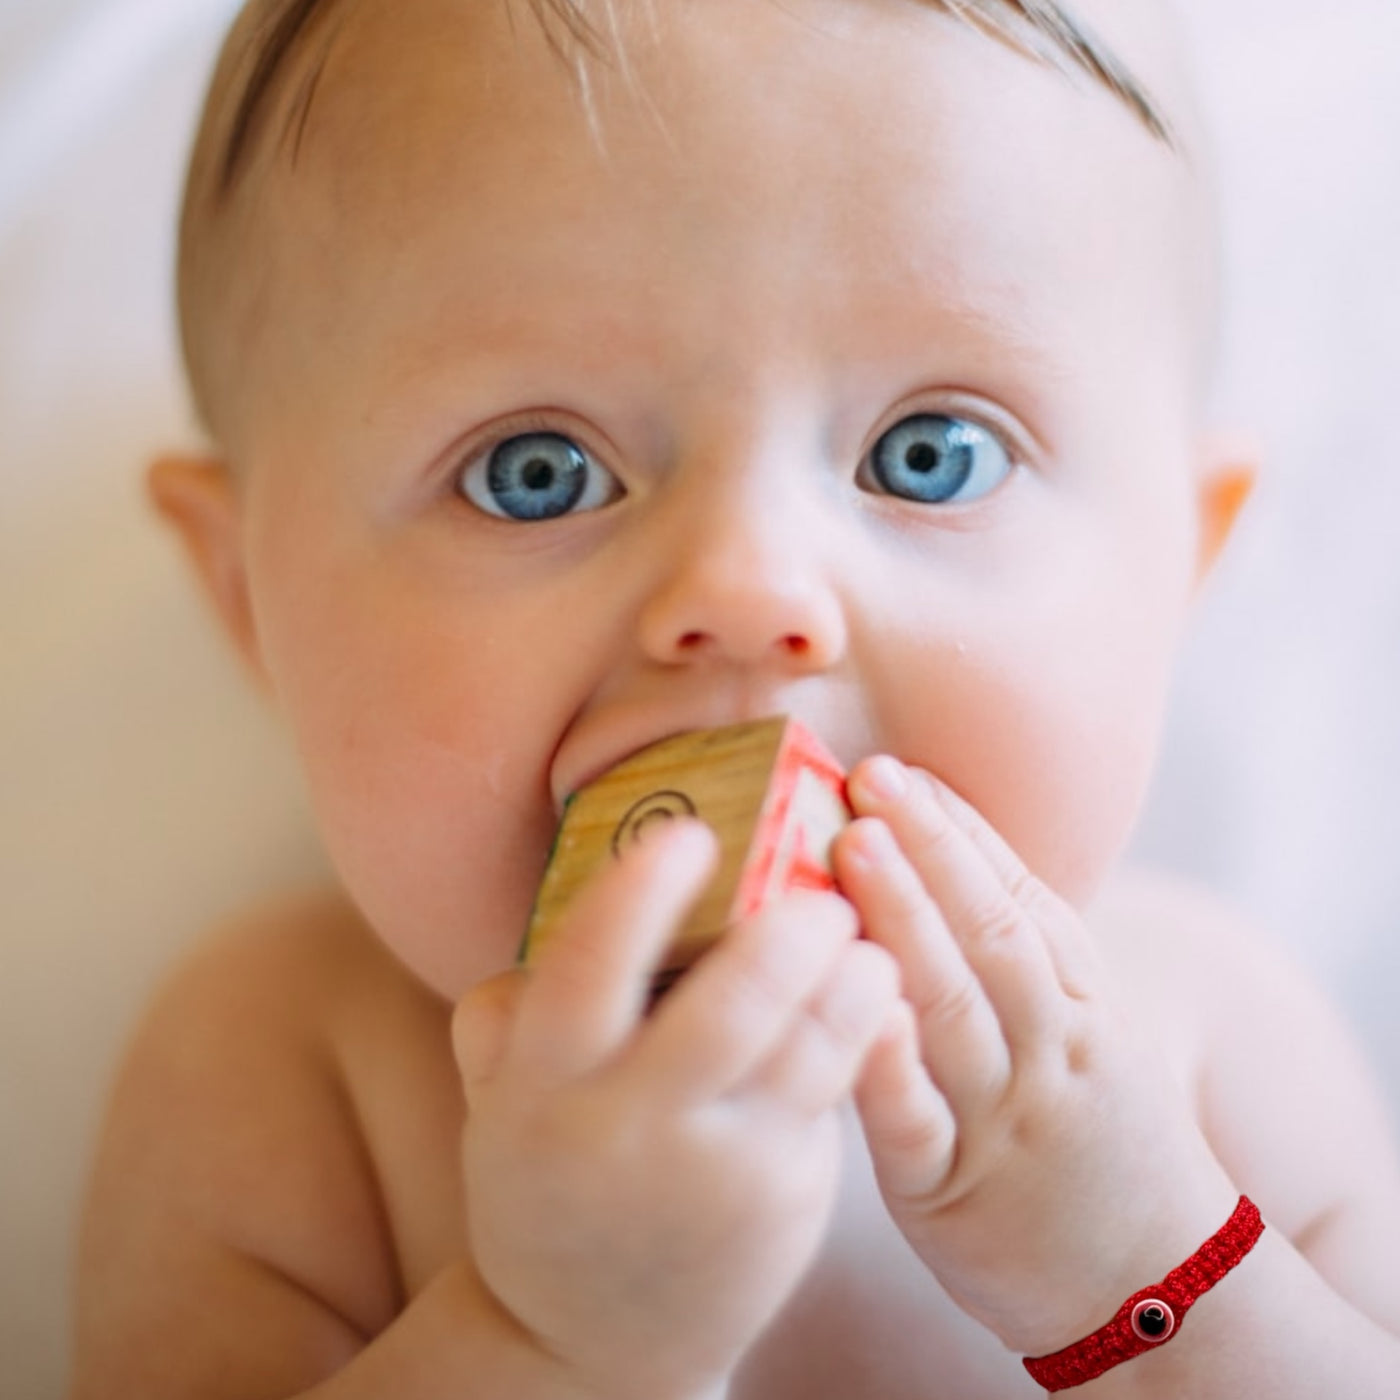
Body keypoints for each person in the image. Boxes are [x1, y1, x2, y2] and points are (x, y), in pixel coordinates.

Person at [68, 0, 1400, 1395]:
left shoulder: (1212, 1047)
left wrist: (1152, 1272)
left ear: (1177, 566)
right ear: (250, 600)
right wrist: (554, 1339)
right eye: (539, 469)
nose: (755, 588)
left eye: (932, 454)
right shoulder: (284, 1075)